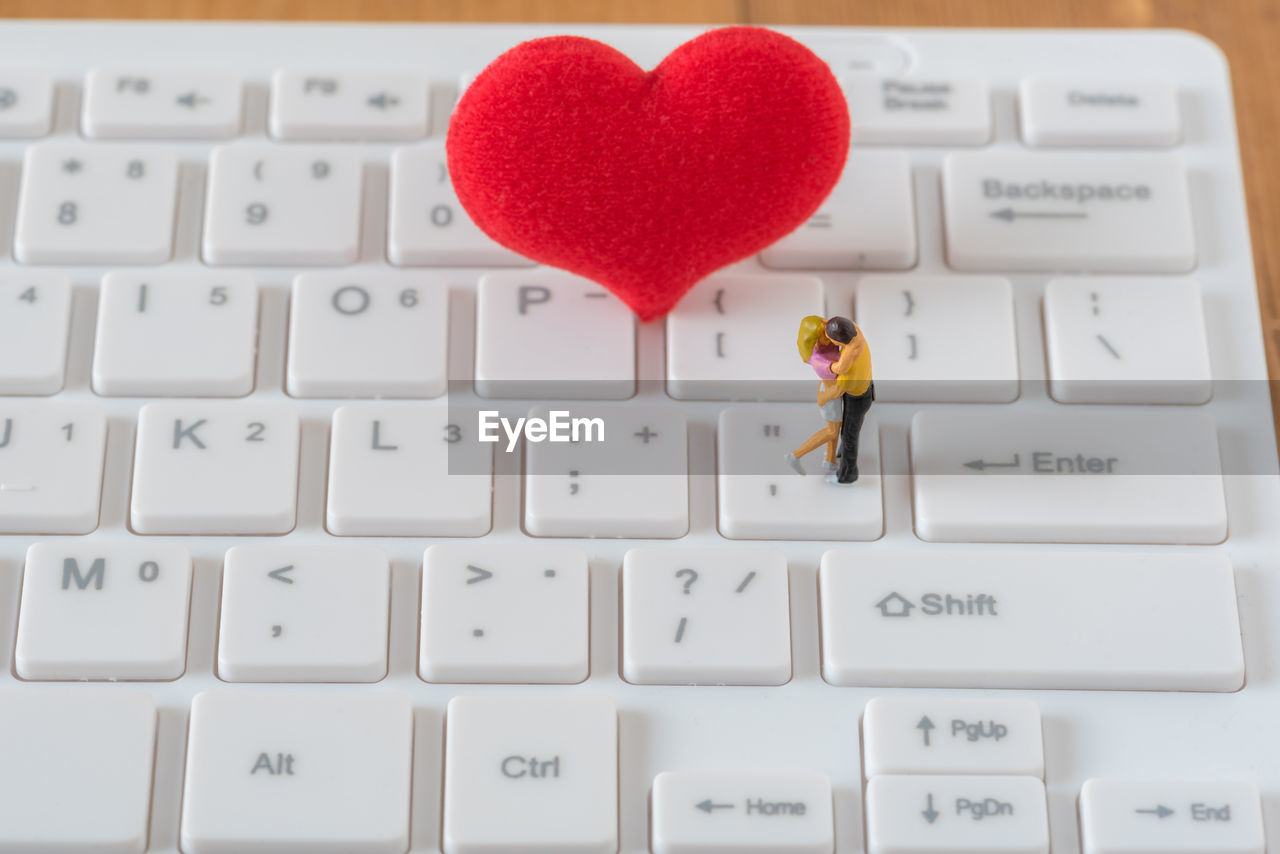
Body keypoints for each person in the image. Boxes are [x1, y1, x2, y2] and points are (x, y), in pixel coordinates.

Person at [785, 315, 873, 484]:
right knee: (832, 432)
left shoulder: (830, 342)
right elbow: (841, 368)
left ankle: (830, 461)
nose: (828, 335)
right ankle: (795, 456)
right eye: (824, 333)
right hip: (830, 395)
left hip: (837, 394)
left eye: (826, 328)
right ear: (815, 338)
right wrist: (823, 399)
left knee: (836, 428)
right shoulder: (818, 359)